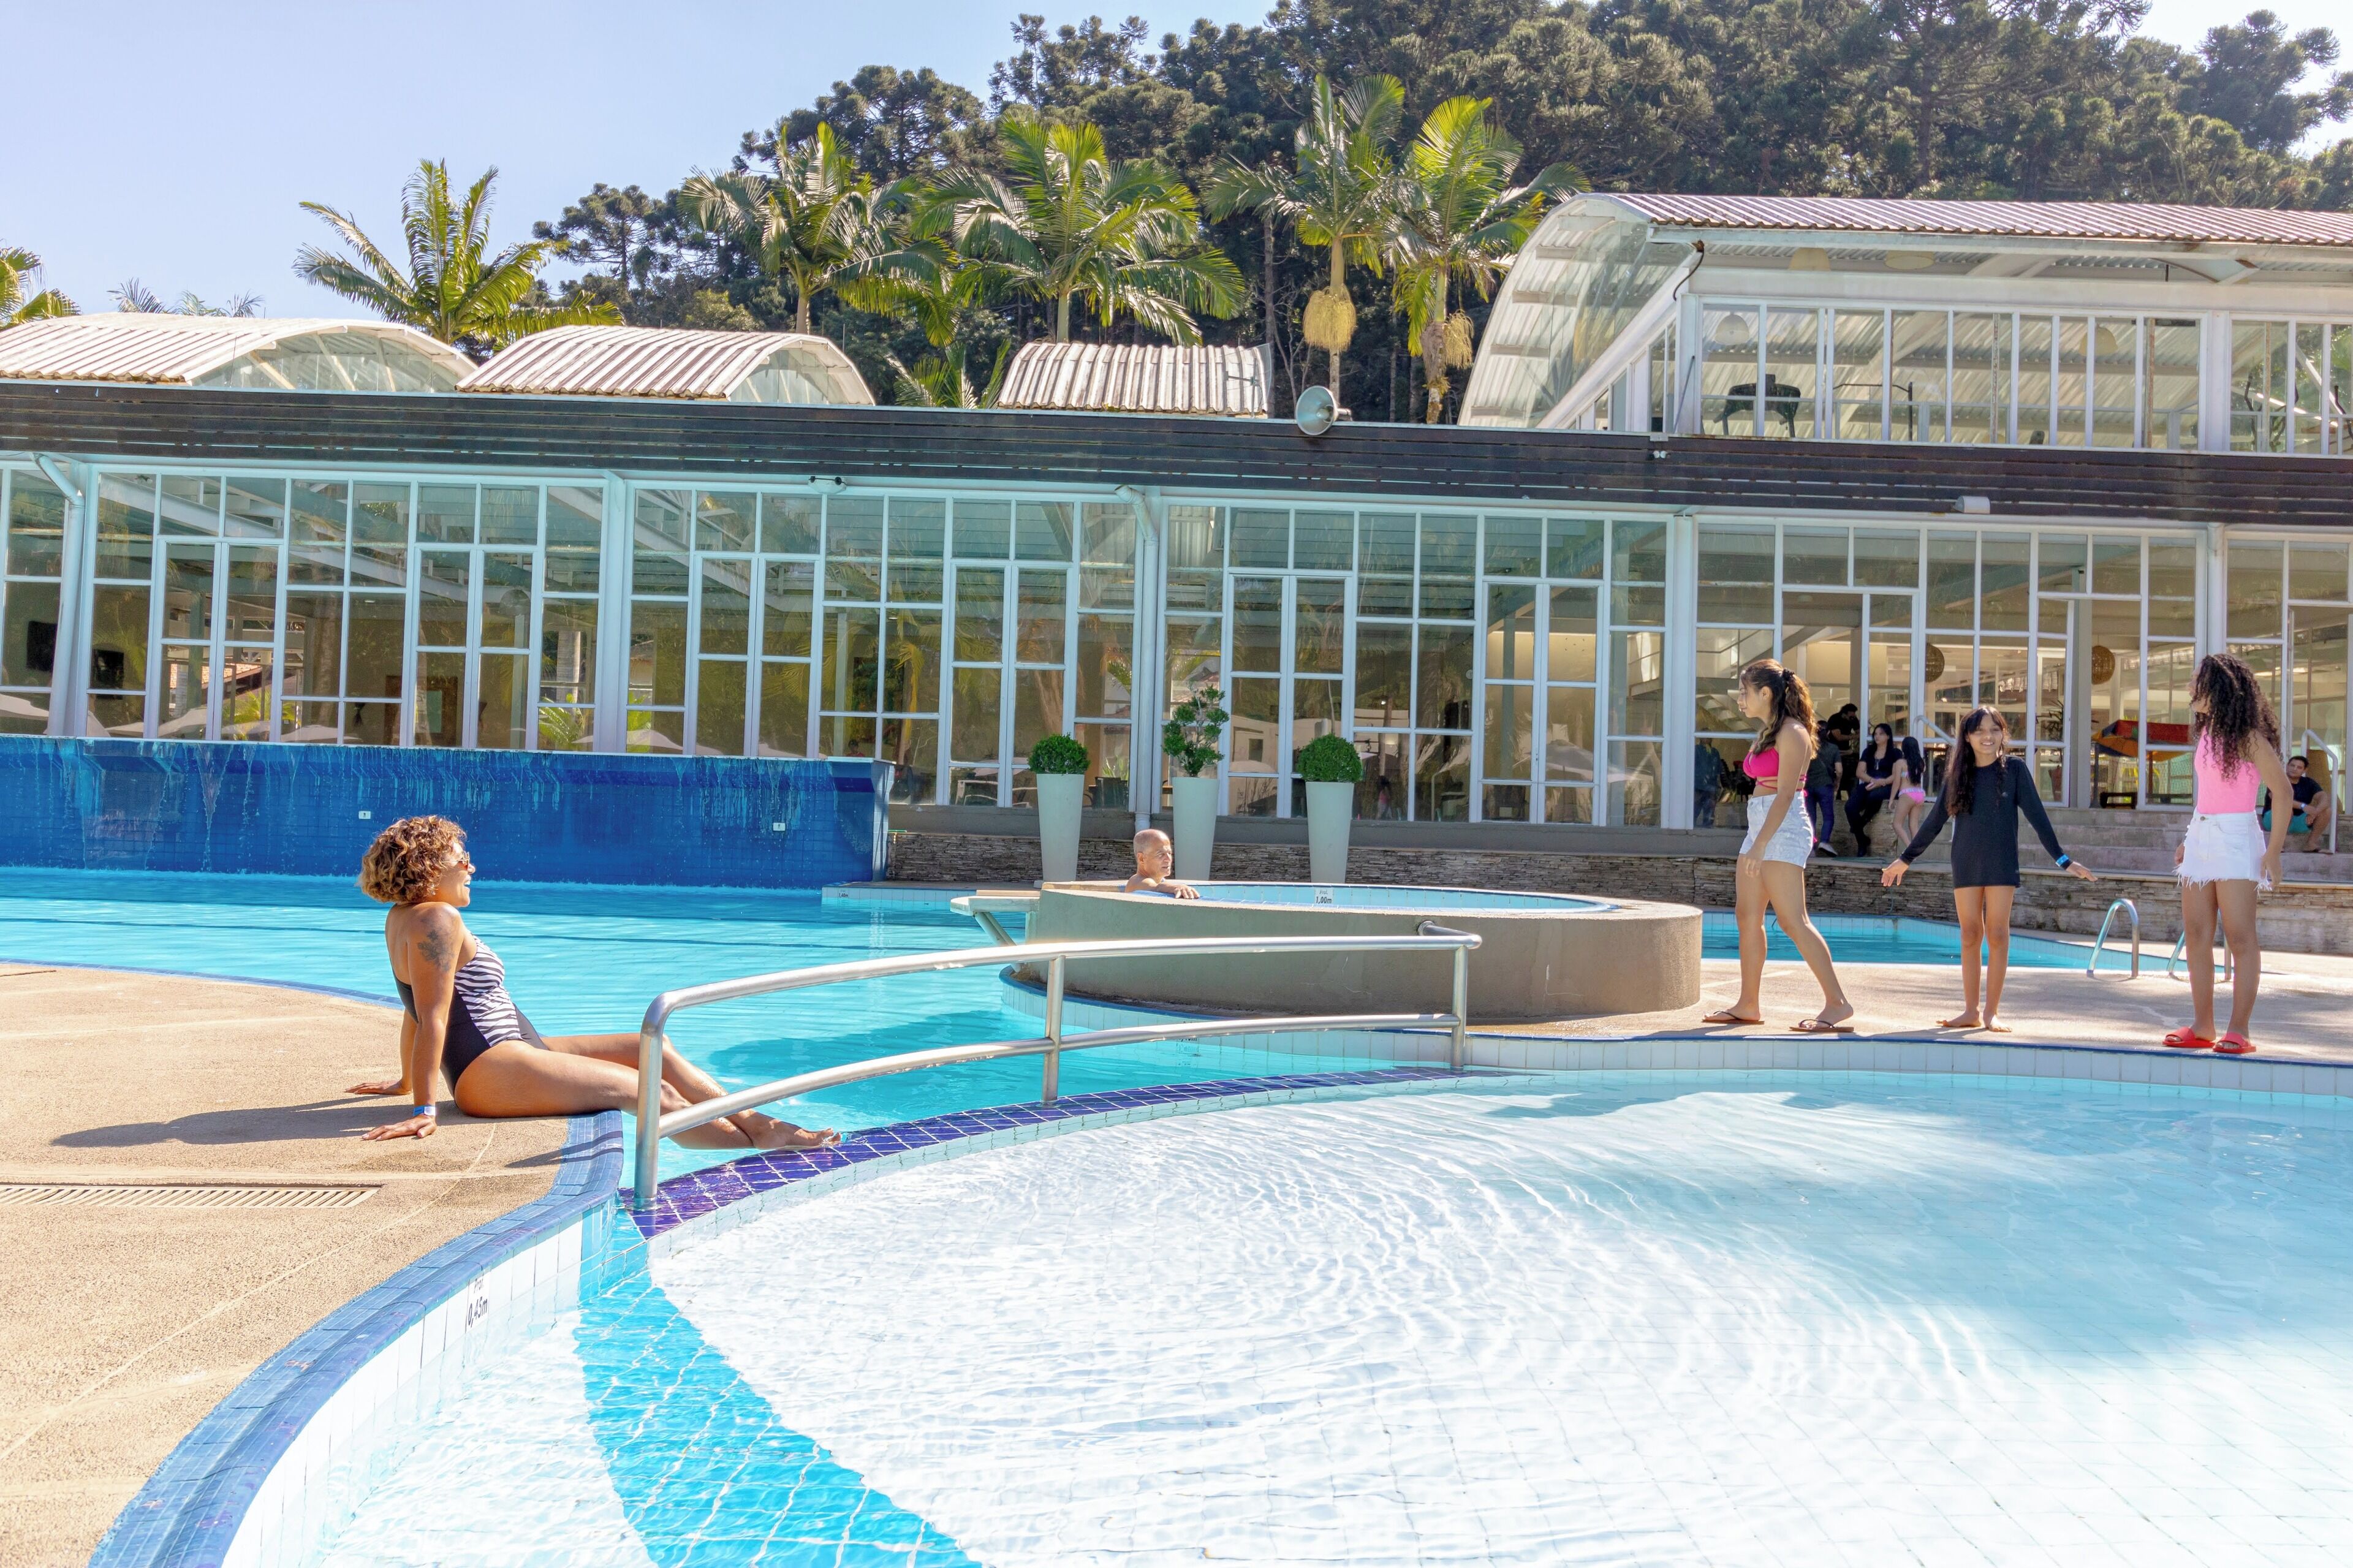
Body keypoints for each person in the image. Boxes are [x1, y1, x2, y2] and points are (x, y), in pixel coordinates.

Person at [349, 816, 839, 1149]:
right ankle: (759, 1147)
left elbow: (413, 1008)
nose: (472, 867)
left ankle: (758, 1123)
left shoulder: (405, 916)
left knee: (651, 1047)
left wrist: (408, 1080)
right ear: (430, 866)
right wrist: (423, 1107)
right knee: (644, 1090)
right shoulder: (436, 918)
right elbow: (432, 1014)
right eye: (462, 859)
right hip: (489, 1068)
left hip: (511, 1047)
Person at [1882, 707, 2095, 1031]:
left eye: (1995, 729)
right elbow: (1935, 821)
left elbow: (2038, 817)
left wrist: (2063, 860)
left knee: (1997, 933)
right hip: (1966, 859)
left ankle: (1992, 1012)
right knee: (1970, 934)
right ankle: (1971, 1011)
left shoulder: (2015, 770)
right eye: (1980, 730)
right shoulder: (1957, 775)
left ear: (2002, 735)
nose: (1988, 736)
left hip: (2001, 860)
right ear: (1967, 737)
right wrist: (1906, 859)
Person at [1702, 659, 1855, 1034]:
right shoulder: (1769, 732)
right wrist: (1756, 842)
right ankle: (1748, 1004)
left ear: (1765, 693)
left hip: (1782, 828)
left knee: (1792, 920)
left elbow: (1787, 793)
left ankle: (1838, 1003)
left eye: (1744, 692)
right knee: (1746, 915)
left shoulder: (1793, 732)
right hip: (1760, 824)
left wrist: (1761, 844)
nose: (1740, 699)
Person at [2165, 653, 2292, 1055]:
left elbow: (2284, 793)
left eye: (2196, 681)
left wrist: (2274, 851)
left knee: (2239, 936)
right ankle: (2203, 1025)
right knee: (2198, 935)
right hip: (2203, 837)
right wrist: (2191, 837)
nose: (2190, 688)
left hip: (2238, 837)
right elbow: (2207, 796)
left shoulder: (2250, 737)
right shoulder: (2206, 734)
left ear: (2218, 689)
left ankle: (2240, 1029)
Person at [1846, 723, 1903, 856]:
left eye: (1881, 734)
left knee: (1875, 796)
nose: (1877, 736)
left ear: (1888, 736)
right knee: (1850, 807)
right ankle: (1862, 839)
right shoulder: (1869, 751)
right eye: (1876, 734)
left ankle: (1859, 824)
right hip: (1870, 783)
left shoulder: (1895, 753)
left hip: (1887, 785)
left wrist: (1882, 782)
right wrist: (1872, 781)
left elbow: (1896, 775)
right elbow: (1859, 772)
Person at [2263, 752, 2332, 846]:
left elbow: (2324, 797)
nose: (2294, 769)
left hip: (2299, 822)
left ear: (2304, 770)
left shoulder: (2309, 783)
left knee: (2327, 811)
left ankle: (2311, 843)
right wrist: (2303, 806)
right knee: (2287, 810)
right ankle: (2278, 846)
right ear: (2287, 766)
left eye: (2299, 767)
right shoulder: (2277, 779)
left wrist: (2315, 812)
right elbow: (2279, 798)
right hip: (2273, 821)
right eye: (2292, 765)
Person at [1123, 828, 1199, 898]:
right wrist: (1176, 887)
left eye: (1169, 853)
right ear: (1142, 859)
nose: (1169, 859)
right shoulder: (1137, 882)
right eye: (1161, 855)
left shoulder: (1160, 880)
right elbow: (1157, 888)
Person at [1805, 723, 1843, 853]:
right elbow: (1839, 771)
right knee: (1828, 817)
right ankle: (1824, 842)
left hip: (1808, 786)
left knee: (1810, 817)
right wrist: (1837, 783)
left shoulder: (1808, 748)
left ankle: (1810, 847)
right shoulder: (1833, 749)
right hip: (1825, 786)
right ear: (1828, 734)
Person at [1692, 740, 1726, 827]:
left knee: (1709, 811)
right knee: (1695, 810)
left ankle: (1707, 828)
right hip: (1698, 785)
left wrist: (1719, 785)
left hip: (1711, 785)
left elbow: (1718, 770)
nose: (1707, 739)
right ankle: (1692, 826)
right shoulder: (1696, 750)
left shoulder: (1714, 752)